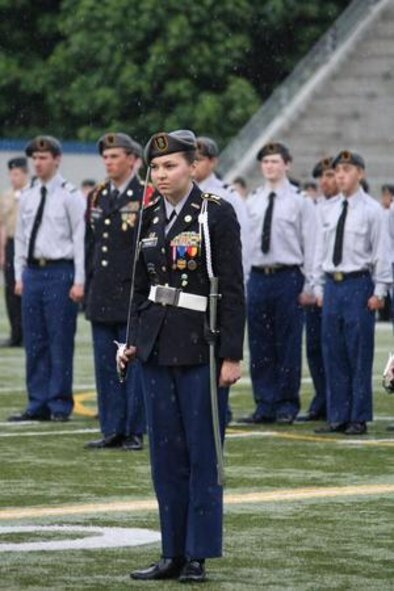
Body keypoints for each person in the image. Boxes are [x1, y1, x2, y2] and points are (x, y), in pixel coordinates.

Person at [118, 130, 245, 583]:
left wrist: (231, 354)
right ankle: (171, 551)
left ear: (193, 166)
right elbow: (138, 286)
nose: (161, 174)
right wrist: (132, 340)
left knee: (202, 455)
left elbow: (231, 287)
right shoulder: (150, 215)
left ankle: (198, 554)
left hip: (200, 348)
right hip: (155, 346)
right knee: (165, 457)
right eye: (155, 167)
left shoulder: (215, 214)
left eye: (170, 166)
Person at [314, 150, 392, 435]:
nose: (341, 176)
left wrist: (380, 290)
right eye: (338, 171)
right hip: (333, 284)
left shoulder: (373, 211)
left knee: (358, 352)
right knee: (332, 352)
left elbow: (381, 253)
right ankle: (337, 415)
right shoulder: (329, 208)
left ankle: (358, 416)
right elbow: (319, 250)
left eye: (347, 170)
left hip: (359, 283)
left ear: (360, 173)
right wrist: (318, 285)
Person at [9, 135, 86, 422]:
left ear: (57, 159)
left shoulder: (70, 195)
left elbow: (80, 240)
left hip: (59, 271)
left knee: (59, 340)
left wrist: (79, 280)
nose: (38, 163)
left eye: (43, 158)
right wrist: (19, 274)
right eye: (35, 158)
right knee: (35, 340)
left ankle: (59, 403)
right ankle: (37, 402)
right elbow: (21, 238)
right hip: (33, 272)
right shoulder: (28, 193)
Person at [239, 142, 316, 425]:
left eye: (275, 161)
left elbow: (311, 244)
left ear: (287, 164)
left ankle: (286, 403)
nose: (270, 167)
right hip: (259, 276)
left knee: (287, 342)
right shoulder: (254, 200)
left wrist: (310, 284)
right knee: (259, 343)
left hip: (288, 275)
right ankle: (265, 403)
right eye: (266, 162)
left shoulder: (300, 201)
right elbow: (246, 245)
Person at [84, 133, 146, 450]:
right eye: (106, 157)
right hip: (102, 294)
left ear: (132, 159)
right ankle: (111, 427)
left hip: (132, 294)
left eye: (115, 156)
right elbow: (91, 246)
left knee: (131, 364)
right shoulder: (97, 196)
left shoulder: (146, 195)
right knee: (107, 365)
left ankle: (134, 429)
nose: (109, 162)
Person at [297, 157, 339, 422]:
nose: (324, 181)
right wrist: (309, 285)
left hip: (336, 286)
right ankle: (321, 398)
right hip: (314, 286)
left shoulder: (342, 207)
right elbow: (309, 251)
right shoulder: (314, 208)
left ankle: (336, 402)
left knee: (334, 349)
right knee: (314, 348)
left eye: (330, 175)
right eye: (321, 177)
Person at [194, 136, 251, 283]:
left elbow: (243, 236)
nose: (193, 164)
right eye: (190, 159)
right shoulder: (182, 192)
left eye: (198, 159)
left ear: (212, 162)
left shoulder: (227, 194)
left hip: (217, 270)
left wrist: (241, 277)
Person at [0, 157, 29, 347]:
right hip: (11, 245)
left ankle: (28, 334)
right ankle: (15, 334)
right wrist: (2, 252)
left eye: (17, 174)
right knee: (10, 291)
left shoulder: (33, 193)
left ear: (26, 173)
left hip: (28, 247)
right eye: (11, 174)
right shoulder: (6, 196)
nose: (13, 178)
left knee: (27, 291)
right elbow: (2, 226)